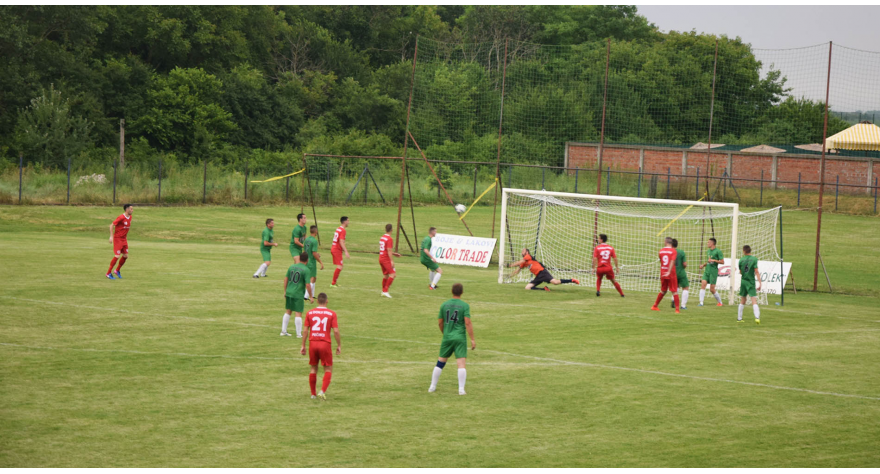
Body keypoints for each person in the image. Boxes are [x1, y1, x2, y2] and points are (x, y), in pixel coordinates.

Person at [429, 283, 476, 395]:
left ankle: (432, 386)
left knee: (440, 362)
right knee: (461, 363)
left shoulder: (444, 305)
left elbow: (440, 322)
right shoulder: (464, 306)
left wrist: (445, 333)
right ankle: (461, 389)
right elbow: (467, 323)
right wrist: (472, 339)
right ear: (462, 292)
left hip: (447, 337)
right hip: (460, 338)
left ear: (451, 291)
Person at [301, 293, 341, 400]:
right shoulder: (332, 314)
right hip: (325, 343)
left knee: (313, 368)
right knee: (328, 368)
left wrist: (303, 345)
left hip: (313, 343)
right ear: (327, 301)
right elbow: (336, 331)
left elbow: (305, 330)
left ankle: (313, 394)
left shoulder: (310, 313)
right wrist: (339, 345)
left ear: (317, 301)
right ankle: (322, 391)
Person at [506, 248, 579, 291]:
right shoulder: (524, 262)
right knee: (527, 287)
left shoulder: (528, 256)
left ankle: (571, 280)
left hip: (542, 272)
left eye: (523, 251)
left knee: (555, 282)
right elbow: (518, 270)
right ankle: (544, 289)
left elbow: (520, 261)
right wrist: (509, 276)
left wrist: (510, 265)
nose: (522, 252)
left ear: (527, 252)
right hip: (538, 276)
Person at [282, 252, 313, 337]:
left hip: (289, 291)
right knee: (298, 312)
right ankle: (299, 334)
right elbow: (307, 284)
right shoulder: (306, 270)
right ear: (307, 260)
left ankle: (283, 331)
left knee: (288, 311)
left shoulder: (292, 266)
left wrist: (285, 291)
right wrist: (311, 296)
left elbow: (285, 279)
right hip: (298, 293)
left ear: (299, 258)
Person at [651, 237, 680, 313]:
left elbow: (661, 261)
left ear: (666, 242)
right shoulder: (673, 251)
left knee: (663, 290)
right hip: (671, 273)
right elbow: (672, 261)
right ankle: (677, 309)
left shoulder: (661, 251)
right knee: (674, 291)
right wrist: (669, 271)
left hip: (663, 272)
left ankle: (655, 306)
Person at [737, 245, 762, 324]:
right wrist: (760, 282)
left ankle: (739, 318)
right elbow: (756, 271)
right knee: (754, 300)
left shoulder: (741, 260)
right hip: (751, 282)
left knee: (743, 300)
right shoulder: (754, 259)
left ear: (744, 251)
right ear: (750, 251)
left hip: (743, 281)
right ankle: (757, 318)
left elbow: (740, 272)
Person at [107, 204, 133, 279]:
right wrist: (111, 236)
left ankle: (117, 270)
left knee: (125, 256)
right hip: (118, 238)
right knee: (117, 256)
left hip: (124, 239)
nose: (132, 210)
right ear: (127, 209)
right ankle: (108, 273)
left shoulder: (130, 217)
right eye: (131, 209)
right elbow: (111, 225)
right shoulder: (121, 217)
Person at [699, 237, 724, 307]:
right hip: (707, 270)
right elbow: (708, 261)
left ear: (712, 243)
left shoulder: (718, 251)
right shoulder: (708, 251)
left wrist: (714, 260)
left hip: (713, 272)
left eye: (708, 242)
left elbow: (722, 261)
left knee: (712, 289)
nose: (707, 243)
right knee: (703, 284)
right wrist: (703, 265)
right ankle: (701, 302)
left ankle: (720, 302)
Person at [379, 224, 402, 298]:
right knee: (393, 274)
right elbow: (389, 250)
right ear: (392, 230)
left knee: (386, 275)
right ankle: (385, 291)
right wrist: (392, 261)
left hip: (381, 258)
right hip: (386, 259)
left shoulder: (382, 237)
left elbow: (385, 250)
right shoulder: (389, 239)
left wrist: (394, 254)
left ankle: (383, 291)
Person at [303, 225, 323, 300]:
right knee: (311, 278)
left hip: (306, 259)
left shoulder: (307, 239)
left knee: (314, 277)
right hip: (311, 261)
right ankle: (306, 295)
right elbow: (314, 253)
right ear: (316, 231)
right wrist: (321, 262)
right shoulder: (314, 241)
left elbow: (306, 250)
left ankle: (313, 294)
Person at [330, 216, 350, 287]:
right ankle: (333, 283)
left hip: (334, 248)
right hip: (336, 250)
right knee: (340, 266)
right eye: (348, 220)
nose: (349, 222)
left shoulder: (338, 229)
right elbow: (341, 242)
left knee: (340, 266)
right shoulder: (343, 230)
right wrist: (346, 251)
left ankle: (334, 282)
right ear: (344, 222)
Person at [671, 238, 689, 309]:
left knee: (675, 287)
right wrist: (682, 268)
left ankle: (673, 300)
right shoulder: (681, 252)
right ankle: (683, 305)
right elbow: (684, 264)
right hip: (681, 272)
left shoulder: (670, 252)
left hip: (672, 273)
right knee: (685, 287)